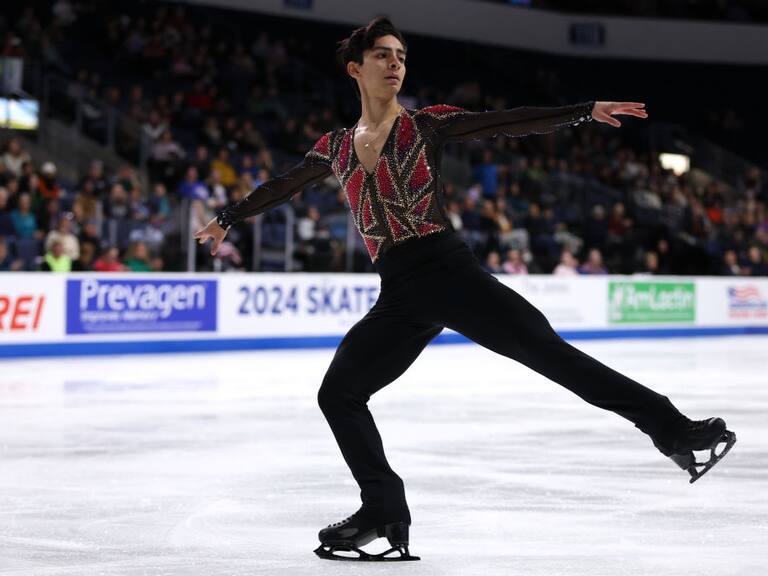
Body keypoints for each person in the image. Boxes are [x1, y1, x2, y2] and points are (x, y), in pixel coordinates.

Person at [193, 17, 736, 562]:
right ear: (356, 68)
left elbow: (505, 122)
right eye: (383, 55)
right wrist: (227, 218)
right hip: (400, 293)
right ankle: (383, 507)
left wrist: (582, 110)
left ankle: (675, 430)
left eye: (401, 56)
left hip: (451, 275)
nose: (395, 64)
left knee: (552, 355)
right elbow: (282, 185)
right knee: (338, 393)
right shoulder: (334, 147)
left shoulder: (426, 126)